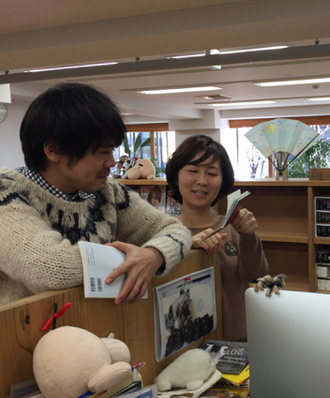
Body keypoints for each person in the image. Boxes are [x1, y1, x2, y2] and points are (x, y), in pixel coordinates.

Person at [0, 83, 192, 306]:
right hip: (27, 326)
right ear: (54, 150)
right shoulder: (7, 193)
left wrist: (153, 254)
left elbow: (176, 230)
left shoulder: (108, 191)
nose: (111, 162)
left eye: (112, 150)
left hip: (97, 321)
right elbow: (50, 269)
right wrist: (133, 258)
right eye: (102, 152)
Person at [165, 135, 268, 341]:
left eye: (212, 173)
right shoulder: (164, 232)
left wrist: (248, 236)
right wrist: (189, 246)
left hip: (235, 344)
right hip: (182, 347)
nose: (202, 181)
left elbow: (256, 276)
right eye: (193, 170)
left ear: (222, 182)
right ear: (176, 177)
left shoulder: (232, 228)